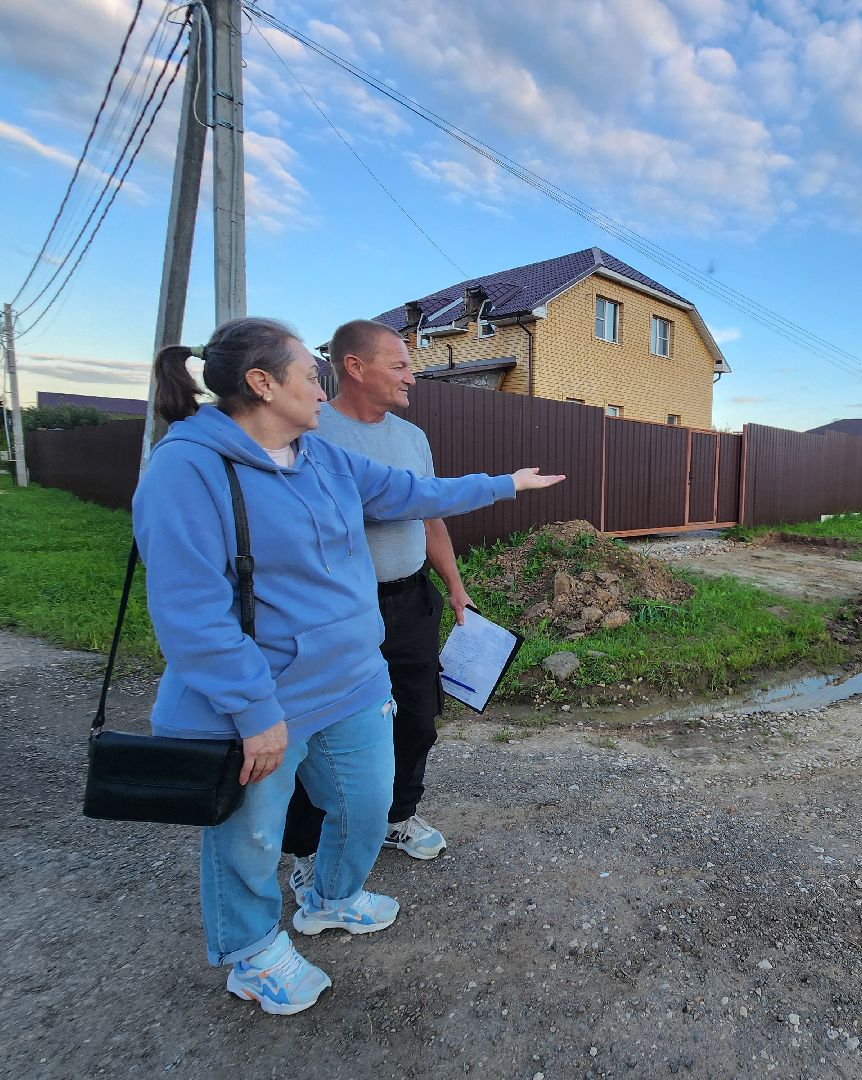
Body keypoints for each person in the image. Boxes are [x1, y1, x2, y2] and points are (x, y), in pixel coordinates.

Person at [134, 317, 563, 1015]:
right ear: (262, 383)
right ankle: (250, 954)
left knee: (367, 802)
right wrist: (253, 714)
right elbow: (190, 614)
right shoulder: (188, 470)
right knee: (248, 833)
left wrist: (504, 483)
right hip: (262, 699)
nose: (321, 389)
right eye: (310, 375)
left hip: (354, 680)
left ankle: (331, 898)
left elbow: (412, 494)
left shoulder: (321, 457)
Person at [281, 319, 469, 890]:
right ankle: (307, 847)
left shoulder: (412, 438)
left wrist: (455, 586)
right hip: (335, 612)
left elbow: (430, 516)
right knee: (323, 728)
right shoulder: (311, 434)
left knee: (416, 718)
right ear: (354, 367)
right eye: (400, 365)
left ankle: (396, 816)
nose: (412, 375)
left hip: (409, 601)